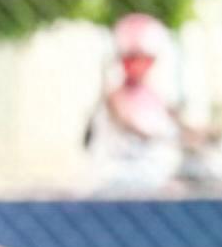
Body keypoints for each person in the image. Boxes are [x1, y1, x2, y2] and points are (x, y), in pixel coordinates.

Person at [83, 15, 208, 190]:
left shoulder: (155, 96)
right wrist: (168, 138)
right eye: (129, 58)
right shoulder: (114, 97)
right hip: (119, 180)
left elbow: (179, 125)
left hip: (153, 178)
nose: (135, 65)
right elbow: (131, 123)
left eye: (143, 59)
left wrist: (199, 135)